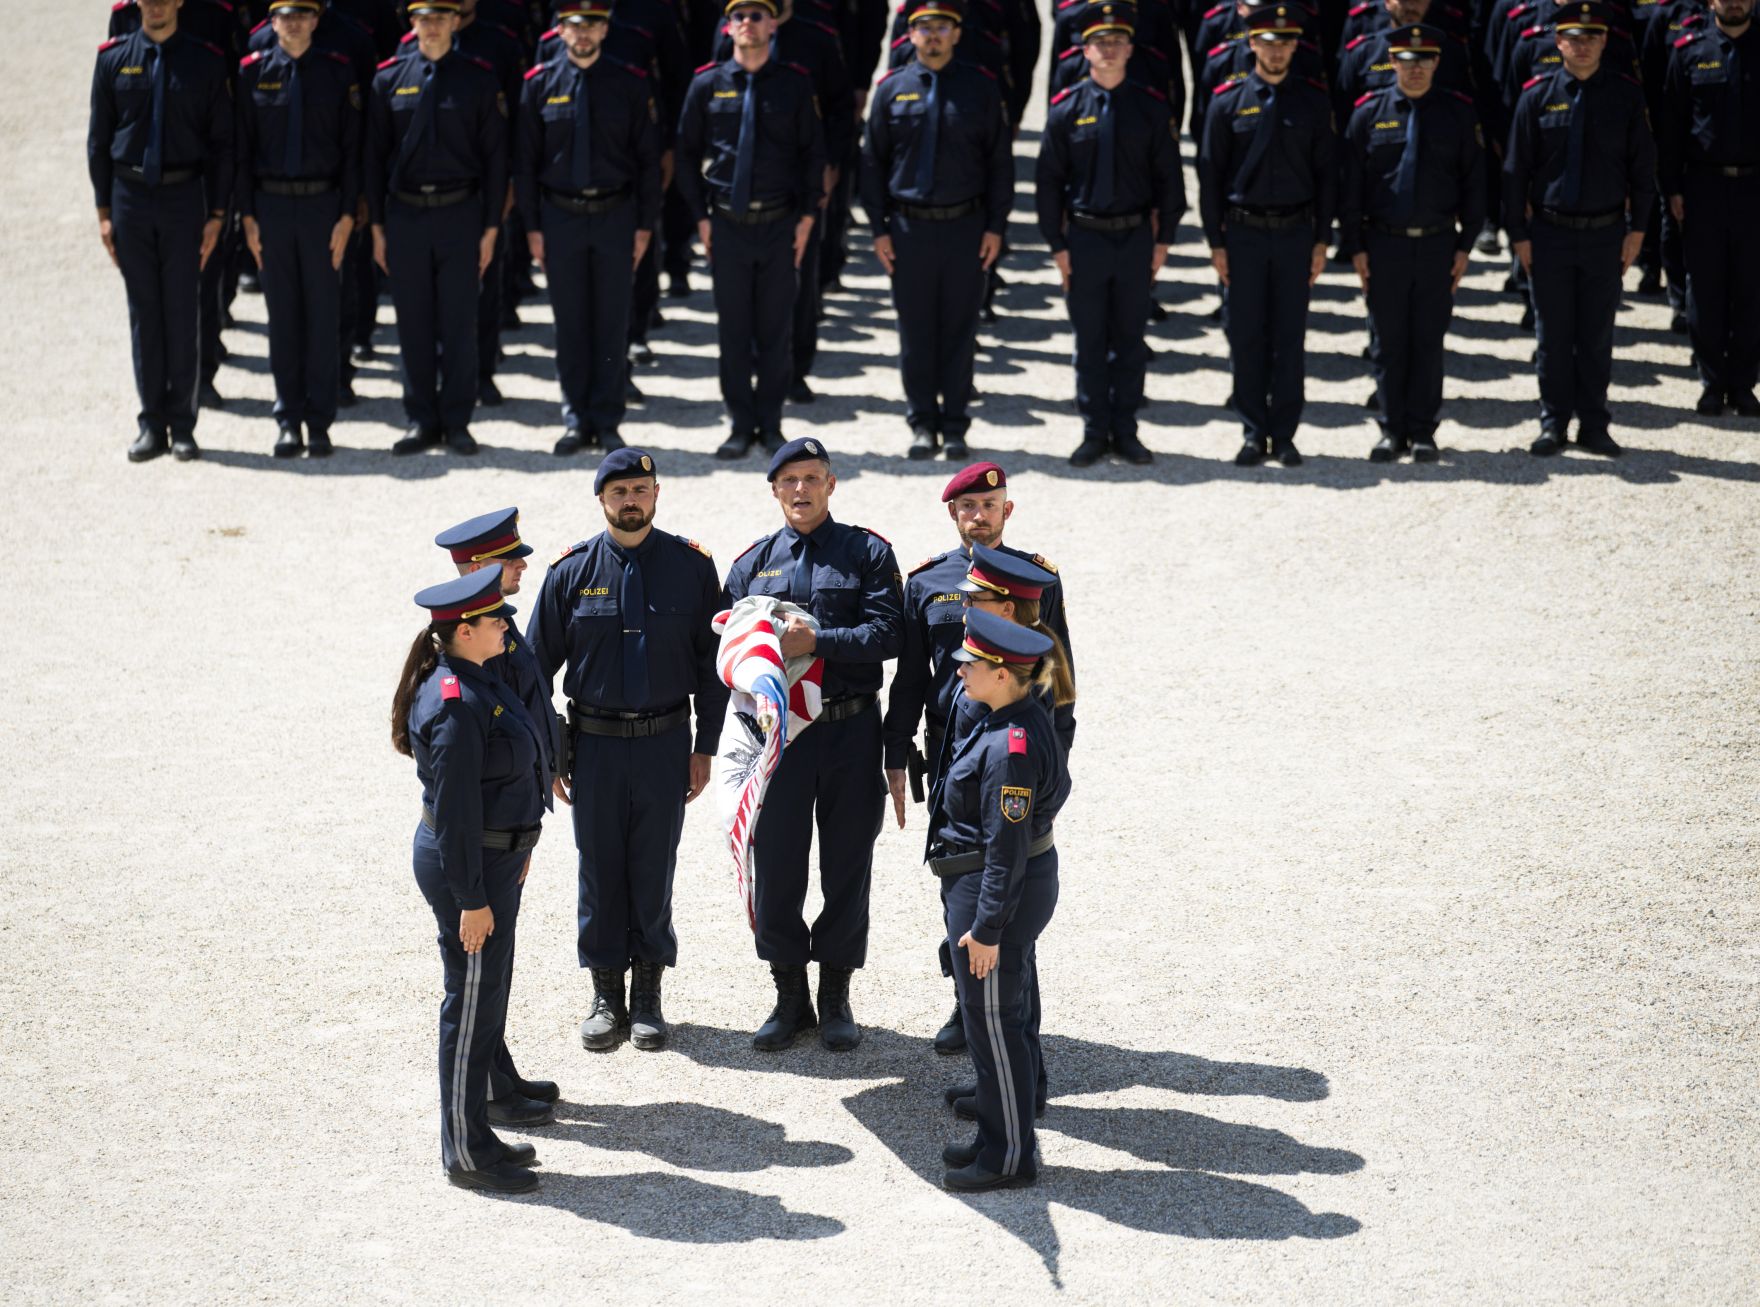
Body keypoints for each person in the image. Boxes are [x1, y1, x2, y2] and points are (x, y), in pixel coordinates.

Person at [526, 449, 726, 1053]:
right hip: (596, 746)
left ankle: (648, 998)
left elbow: (711, 667)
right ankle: (605, 994)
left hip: (667, 742)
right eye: (619, 492)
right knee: (600, 869)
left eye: (641, 489)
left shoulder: (692, 568)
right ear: (602, 500)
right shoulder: (570, 571)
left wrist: (706, 747)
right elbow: (535, 671)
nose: (631, 500)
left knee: (653, 867)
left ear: (658, 493)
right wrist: (549, 755)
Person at [882, 461, 1073, 1055]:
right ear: (952, 514)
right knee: (960, 879)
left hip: (1013, 749)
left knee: (1009, 875)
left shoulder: (1036, 579)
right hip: (948, 748)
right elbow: (910, 677)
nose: (980, 517)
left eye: (990, 506)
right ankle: (968, 1005)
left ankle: (1009, 1024)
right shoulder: (925, 582)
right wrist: (896, 750)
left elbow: (1059, 674)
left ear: (1007, 512)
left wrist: (1053, 759)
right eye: (968, 507)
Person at [720, 438, 904, 1052]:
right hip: (780, 741)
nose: (801, 490)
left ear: (831, 484)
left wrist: (816, 640)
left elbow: (887, 634)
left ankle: (836, 995)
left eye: (812, 478)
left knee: (848, 865)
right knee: (775, 866)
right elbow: (727, 646)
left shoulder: (867, 552)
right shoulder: (751, 564)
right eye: (789, 480)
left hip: (850, 730)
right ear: (774, 490)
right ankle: (788, 995)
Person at [393, 566, 551, 1195]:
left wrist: (518, 846)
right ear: (464, 630)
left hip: (494, 859)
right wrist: (473, 899)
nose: (506, 626)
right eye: (496, 620)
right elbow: (457, 814)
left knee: (487, 998)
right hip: (472, 867)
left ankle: (478, 1134)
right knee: (470, 1002)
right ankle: (463, 1151)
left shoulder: (476, 678)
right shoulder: (456, 703)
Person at [926, 607, 1072, 1191]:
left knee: (994, 1022)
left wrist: (986, 929)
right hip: (988, 884)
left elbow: (1005, 850)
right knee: (990, 1023)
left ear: (1005, 673)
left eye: (971, 664)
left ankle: (1010, 1157)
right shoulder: (1006, 717)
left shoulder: (1010, 744)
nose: (961, 672)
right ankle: (995, 1134)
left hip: (995, 892)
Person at [861, 0, 1013, 461]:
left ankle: (956, 424)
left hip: (966, 227)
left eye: (942, 27)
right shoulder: (891, 90)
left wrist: (995, 227)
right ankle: (922, 421)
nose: (933, 35)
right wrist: (878, 230)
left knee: (960, 329)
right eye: (924, 27)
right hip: (908, 229)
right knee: (916, 330)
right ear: (910, 34)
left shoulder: (981, 89)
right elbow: (872, 165)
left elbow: (999, 165)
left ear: (957, 33)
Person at [1036, 1, 1185, 468]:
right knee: (1090, 343)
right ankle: (1093, 431)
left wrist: (1163, 243)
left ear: (1129, 48)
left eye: (1117, 41)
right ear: (1085, 50)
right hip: (1084, 240)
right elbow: (1047, 184)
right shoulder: (1066, 109)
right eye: (1100, 42)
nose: (1109, 49)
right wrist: (1057, 247)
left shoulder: (1149, 107)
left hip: (1135, 238)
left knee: (1130, 339)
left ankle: (1127, 431)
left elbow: (1170, 181)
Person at [676, 0, 827, 459]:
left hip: (780, 223)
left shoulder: (795, 85)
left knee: (776, 329)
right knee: (735, 330)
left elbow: (812, 157)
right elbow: (685, 155)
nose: (748, 23)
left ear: (773, 23)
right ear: (729, 25)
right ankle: (741, 424)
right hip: (727, 224)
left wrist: (805, 220)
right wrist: (701, 220)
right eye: (740, 16)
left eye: (758, 15)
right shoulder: (707, 84)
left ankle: (772, 424)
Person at [1504, 0, 1655, 457]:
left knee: (1595, 335)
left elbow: (1642, 169)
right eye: (1574, 36)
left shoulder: (1627, 97)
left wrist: (1637, 232)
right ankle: (1553, 423)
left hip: (1606, 233)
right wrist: (1519, 236)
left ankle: (1594, 423)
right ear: (1559, 41)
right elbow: (1515, 172)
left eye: (1592, 36)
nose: (1583, 44)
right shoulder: (1536, 96)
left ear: (1605, 41)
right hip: (1549, 233)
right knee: (1552, 336)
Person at [89, 0, 235, 464]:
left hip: (183, 199)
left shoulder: (205, 61)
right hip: (130, 197)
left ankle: (184, 425)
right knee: (145, 314)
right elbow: (98, 139)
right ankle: (152, 423)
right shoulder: (112, 59)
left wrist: (216, 214)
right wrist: (104, 211)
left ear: (178, 3)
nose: (154, 6)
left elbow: (221, 145)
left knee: (182, 312)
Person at [515, 0, 662, 455]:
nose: (583, 34)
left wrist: (643, 226)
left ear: (604, 30)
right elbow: (525, 162)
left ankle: (608, 418)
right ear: (560, 30)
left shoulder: (630, 83)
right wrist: (532, 227)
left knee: (612, 321)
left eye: (592, 25)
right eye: (574, 26)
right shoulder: (539, 84)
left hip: (616, 215)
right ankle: (576, 418)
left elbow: (648, 162)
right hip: (560, 217)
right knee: (571, 323)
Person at [364, 0, 508, 457]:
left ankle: (458, 420)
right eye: (423, 19)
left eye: (440, 18)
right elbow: (372, 158)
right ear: (412, 23)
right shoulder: (388, 79)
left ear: (454, 21)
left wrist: (490, 228)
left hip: (460, 214)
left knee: (460, 321)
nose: (431, 27)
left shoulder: (479, 79)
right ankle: (420, 419)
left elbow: (496, 161)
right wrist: (378, 226)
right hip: (405, 216)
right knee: (413, 323)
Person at [1338, 22, 1486, 461]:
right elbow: (1351, 188)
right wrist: (1356, 247)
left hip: (1438, 243)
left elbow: (1475, 184)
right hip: (1384, 245)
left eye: (1423, 60)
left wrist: (1465, 246)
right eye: (1406, 60)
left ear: (1437, 62)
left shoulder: (1457, 114)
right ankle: (1391, 429)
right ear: (1392, 62)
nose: (1415, 69)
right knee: (1387, 342)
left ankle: (1423, 430)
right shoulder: (1368, 113)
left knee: (1427, 340)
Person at [1197, 4, 1336, 467]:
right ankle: (1254, 431)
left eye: (1286, 43)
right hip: (1243, 234)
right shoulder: (1226, 101)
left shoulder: (1313, 101)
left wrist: (1321, 240)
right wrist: (1215, 244)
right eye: (1268, 42)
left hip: (1296, 234)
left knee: (1289, 337)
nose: (1277, 51)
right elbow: (1211, 176)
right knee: (1246, 336)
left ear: (1295, 46)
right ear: (1252, 43)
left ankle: (1287, 433)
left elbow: (1326, 177)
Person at [236, 0, 363, 459]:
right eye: (284, 15)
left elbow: (353, 150)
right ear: (272, 21)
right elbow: (241, 150)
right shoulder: (252, 71)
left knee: (323, 321)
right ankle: (288, 419)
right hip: (269, 208)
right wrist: (247, 218)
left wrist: (348, 216)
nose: (293, 23)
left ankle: (320, 423)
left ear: (315, 20)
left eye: (302, 14)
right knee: (284, 321)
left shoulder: (336, 69)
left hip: (323, 209)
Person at [1660, 0, 1760, 417]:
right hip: (1704, 187)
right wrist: (1672, 188)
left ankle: (1743, 382)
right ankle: (1711, 380)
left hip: (1757, 186)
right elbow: (1671, 126)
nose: (1734, 1)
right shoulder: (1690, 51)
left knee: (1752, 288)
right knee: (1705, 287)